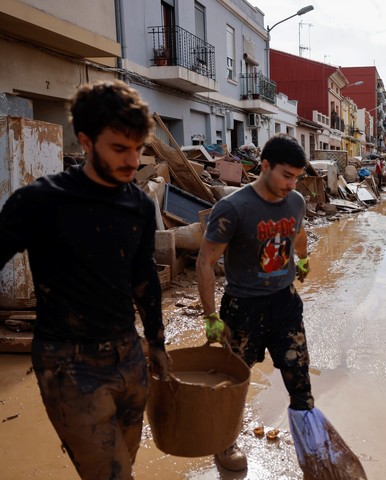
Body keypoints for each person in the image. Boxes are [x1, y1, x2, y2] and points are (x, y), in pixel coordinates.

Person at [0, 79, 170, 479]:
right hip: (69, 364)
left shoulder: (139, 206)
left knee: (125, 461)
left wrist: (157, 342)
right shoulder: (41, 201)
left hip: (129, 355)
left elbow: (143, 276)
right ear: (86, 141)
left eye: (138, 148)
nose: (132, 161)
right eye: (119, 148)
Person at [196, 133, 314, 472]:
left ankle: (310, 449)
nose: (292, 184)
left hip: (285, 304)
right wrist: (210, 317)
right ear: (264, 166)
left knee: (300, 381)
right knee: (232, 384)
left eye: (297, 177)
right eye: (286, 175)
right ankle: (225, 443)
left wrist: (303, 260)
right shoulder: (233, 208)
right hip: (242, 309)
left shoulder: (295, 202)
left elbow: (300, 232)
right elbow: (205, 261)